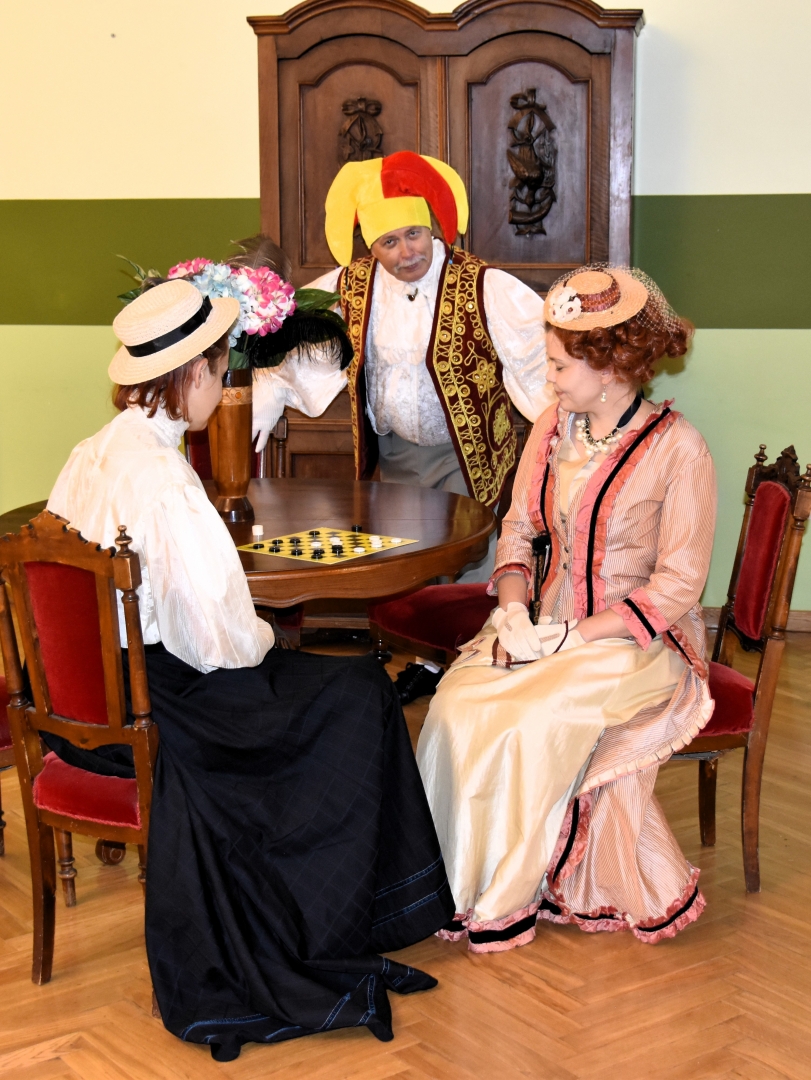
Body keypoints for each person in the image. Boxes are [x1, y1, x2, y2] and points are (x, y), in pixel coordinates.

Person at [45, 280, 454, 1061]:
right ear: (191, 374)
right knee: (359, 690)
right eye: (221, 366)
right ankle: (346, 917)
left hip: (98, 693)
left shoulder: (93, 451)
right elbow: (219, 643)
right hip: (170, 701)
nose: (226, 380)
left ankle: (358, 907)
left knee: (338, 684)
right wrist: (268, 639)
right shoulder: (166, 481)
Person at [416, 265, 717, 952]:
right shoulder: (554, 427)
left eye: (557, 365)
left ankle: (508, 890)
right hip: (546, 620)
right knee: (459, 702)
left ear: (608, 367)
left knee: (527, 717)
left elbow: (677, 584)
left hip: (639, 642)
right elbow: (519, 529)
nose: (548, 378)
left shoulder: (679, 449)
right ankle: (449, 883)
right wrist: (513, 612)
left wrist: (573, 638)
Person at [252, 151, 556, 703]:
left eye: (413, 234)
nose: (405, 252)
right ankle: (425, 661)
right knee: (409, 563)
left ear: (432, 227)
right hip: (392, 455)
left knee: (473, 561)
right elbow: (293, 352)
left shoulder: (485, 285)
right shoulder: (351, 286)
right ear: (371, 246)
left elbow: (539, 365)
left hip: (467, 455)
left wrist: (564, 436)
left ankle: (480, 672)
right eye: (388, 242)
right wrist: (259, 405)